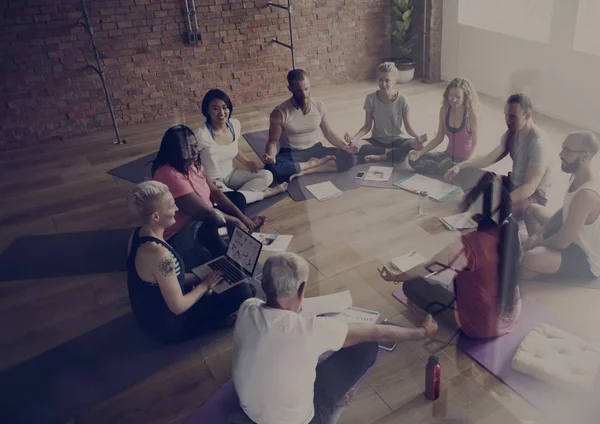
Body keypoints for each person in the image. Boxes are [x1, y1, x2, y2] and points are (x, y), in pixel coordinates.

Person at [231, 252, 438, 424]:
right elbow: (376, 332)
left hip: (250, 413)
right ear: (302, 290)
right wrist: (421, 332)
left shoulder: (247, 307)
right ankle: (330, 405)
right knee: (366, 348)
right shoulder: (310, 330)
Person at [126, 181, 255, 343]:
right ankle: (214, 323)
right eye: (171, 206)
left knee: (231, 284)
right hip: (169, 327)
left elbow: (167, 277)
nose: (176, 209)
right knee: (245, 293)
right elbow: (178, 306)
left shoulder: (137, 234)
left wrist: (201, 276)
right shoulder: (160, 255)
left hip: (150, 317)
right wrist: (205, 284)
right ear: (156, 217)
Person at [152, 125, 265, 262]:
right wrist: (236, 220)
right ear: (174, 151)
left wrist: (242, 217)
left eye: (195, 146)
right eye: (188, 148)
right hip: (183, 230)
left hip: (206, 214)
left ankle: (238, 232)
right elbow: (205, 212)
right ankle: (225, 253)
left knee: (237, 198)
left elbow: (215, 192)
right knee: (215, 224)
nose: (195, 152)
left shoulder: (192, 163)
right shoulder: (168, 175)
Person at [445, 93, 551, 227]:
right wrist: (460, 166)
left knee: (495, 212)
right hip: (512, 182)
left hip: (533, 195)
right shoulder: (511, 134)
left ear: (528, 115)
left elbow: (529, 186)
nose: (508, 120)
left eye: (513, 116)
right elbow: (489, 158)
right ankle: (465, 210)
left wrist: (503, 201)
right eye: (506, 115)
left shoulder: (537, 144)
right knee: (468, 173)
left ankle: (480, 210)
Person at [521, 130, 600, 280]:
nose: (560, 154)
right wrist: (538, 234)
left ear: (585, 156)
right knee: (532, 210)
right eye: (563, 147)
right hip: (571, 233)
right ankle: (540, 261)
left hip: (585, 257)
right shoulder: (577, 174)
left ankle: (537, 261)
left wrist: (539, 242)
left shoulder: (587, 194)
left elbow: (562, 242)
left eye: (567, 150)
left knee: (529, 259)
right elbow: (566, 209)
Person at [263, 69, 358, 182]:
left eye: (306, 89)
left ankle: (306, 170)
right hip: (291, 153)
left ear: (309, 85)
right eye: (299, 90)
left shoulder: (319, 105)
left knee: (350, 158)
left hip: (315, 149)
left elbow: (328, 133)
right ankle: (313, 164)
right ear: (290, 89)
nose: (304, 94)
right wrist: (271, 156)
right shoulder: (280, 112)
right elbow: (272, 142)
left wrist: (346, 147)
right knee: (271, 169)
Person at [196, 89, 288, 204]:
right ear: (207, 111)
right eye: (215, 109)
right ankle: (265, 193)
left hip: (231, 174)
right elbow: (193, 163)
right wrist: (207, 183)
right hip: (214, 180)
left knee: (267, 175)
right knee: (226, 199)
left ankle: (237, 198)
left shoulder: (234, 124)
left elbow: (233, 148)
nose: (221, 113)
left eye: (225, 107)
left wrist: (247, 162)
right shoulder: (201, 134)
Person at [345, 62, 427, 164]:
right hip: (376, 141)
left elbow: (408, 127)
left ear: (394, 81)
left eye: (387, 80)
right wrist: (354, 138)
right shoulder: (370, 99)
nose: (383, 84)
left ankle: (380, 157)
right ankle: (390, 154)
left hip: (396, 141)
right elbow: (367, 126)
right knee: (354, 146)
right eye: (380, 80)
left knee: (418, 146)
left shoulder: (402, 99)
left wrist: (418, 137)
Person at [408, 78, 480, 175]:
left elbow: (475, 145)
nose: (453, 100)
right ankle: (445, 169)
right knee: (414, 160)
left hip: (463, 161)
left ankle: (447, 169)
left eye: (458, 97)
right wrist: (420, 152)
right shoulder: (444, 111)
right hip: (447, 155)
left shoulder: (471, 115)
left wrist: (464, 165)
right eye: (451, 95)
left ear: (465, 97)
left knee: (462, 171)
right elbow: (439, 138)